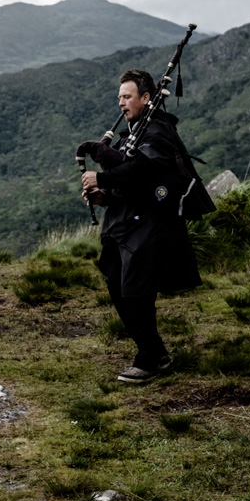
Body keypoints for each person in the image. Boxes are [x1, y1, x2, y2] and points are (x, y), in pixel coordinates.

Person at [81, 69, 203, 384]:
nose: (121, 103)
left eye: (127, 96)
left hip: (151, 224)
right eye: (119, 97)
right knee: (115, 283)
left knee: (135, 290)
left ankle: (150, 358)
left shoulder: (158, 131)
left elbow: (145, 169)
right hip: (126, 225)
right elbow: (130, 184)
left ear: (146, 98)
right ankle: (154, 351)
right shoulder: (133, 134)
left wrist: (103, 176)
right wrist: (103, 196)